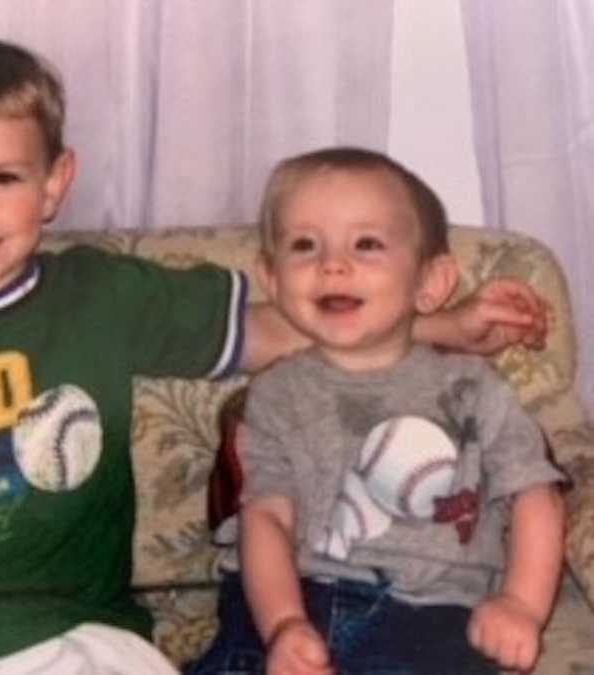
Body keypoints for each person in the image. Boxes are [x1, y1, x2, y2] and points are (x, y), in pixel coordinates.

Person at [0, 32, 549, 674]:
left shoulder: (102, 294)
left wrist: (440, 327)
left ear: (56, 184)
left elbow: (277, 328)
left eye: (2, 177)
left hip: (72, 631)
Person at [188, 148, 565, 675]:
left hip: (432, 616)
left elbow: (534, 495)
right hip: (294, 597)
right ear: (273, 281)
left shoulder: (473, 388)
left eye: (366, 244)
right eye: (304, 245)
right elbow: (266, 518)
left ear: (430, 284)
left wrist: (522, 605)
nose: (332, 263)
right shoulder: (275, 395)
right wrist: (283, 624)